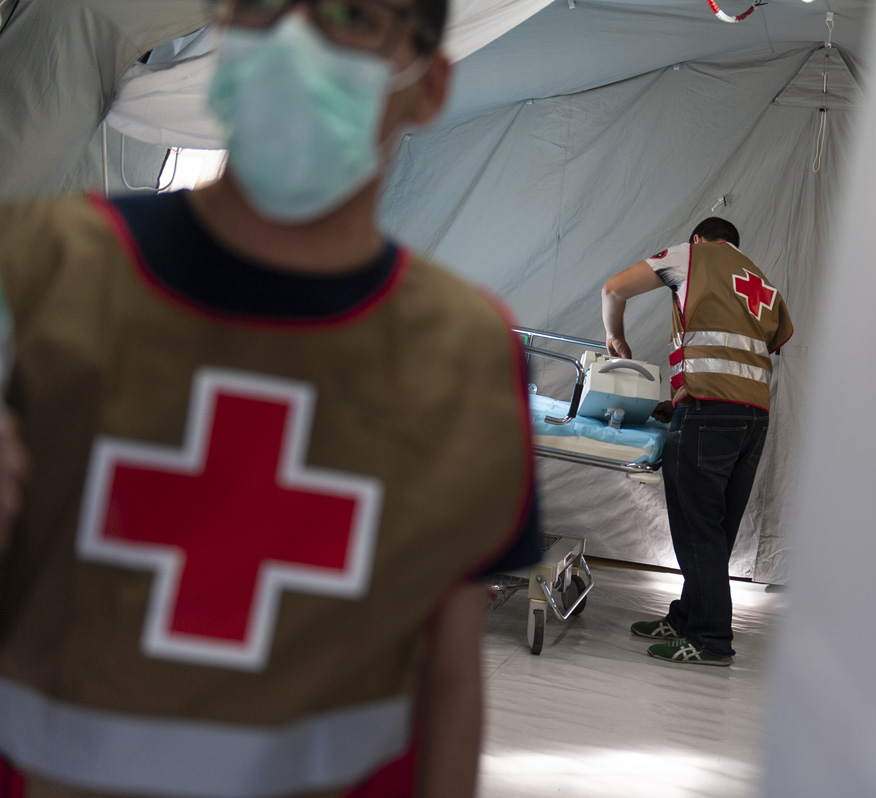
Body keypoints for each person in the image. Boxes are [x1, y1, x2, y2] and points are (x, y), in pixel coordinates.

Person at [0, 1, 541, 796]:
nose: (296, 43)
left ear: (429, 85)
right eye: (263, 7)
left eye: (353, 16)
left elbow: (452, 681)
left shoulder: (466, 356)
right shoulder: (39, 273)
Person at [601, 217, 792, 666]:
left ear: (699, 239)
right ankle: (688, 617)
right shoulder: (761, 280)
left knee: (697, 529)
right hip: (753, 418)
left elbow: (613, 290)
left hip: (708, 413)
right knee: (714, 531)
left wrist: (616, 337)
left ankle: (711, 640)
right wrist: (679, 401)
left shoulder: (692, 255)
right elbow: (750, 349)